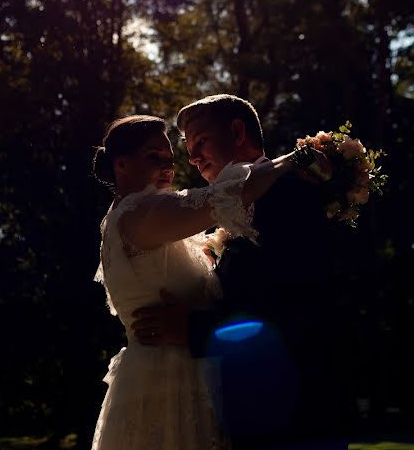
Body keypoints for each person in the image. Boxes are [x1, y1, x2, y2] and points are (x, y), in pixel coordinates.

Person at [90, 114, 314, 450]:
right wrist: (299, 158)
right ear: (122, 164)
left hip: (166, 371)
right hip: (168, 380)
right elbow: (230, 195)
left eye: (170, 159)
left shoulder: (134, 216)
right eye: (154, 158)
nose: (168, 167)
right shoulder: (140, 213)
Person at [131, 95, 343, 449]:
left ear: (236, 131)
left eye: (201, 141)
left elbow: (298, 303)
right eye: (189, 147)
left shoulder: (288, 192)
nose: (193, 157)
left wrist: (192, 328)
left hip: (296, 413)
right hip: (255, 411)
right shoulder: (237, 208)